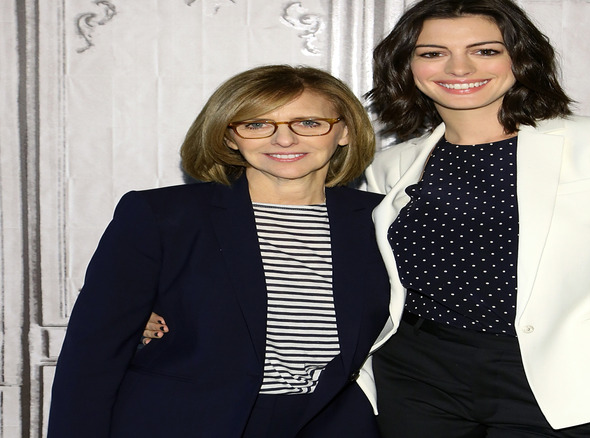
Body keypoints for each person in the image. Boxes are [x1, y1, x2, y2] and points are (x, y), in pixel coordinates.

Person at [361, 0, 590, 437]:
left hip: (569, 380)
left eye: (485, 51)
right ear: (407, 65)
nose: (458, 68)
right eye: (432, 52)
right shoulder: (390, 165)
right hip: (415, 377)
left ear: (521, 57)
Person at [47, 65, 390, 438]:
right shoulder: (162, 215)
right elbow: (93, 354)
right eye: (256, 124)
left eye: (308, 123)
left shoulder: (384, 219)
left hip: (327, 421)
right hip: (184, 422)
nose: (284, 140)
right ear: (229, 137)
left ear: (344, 131)